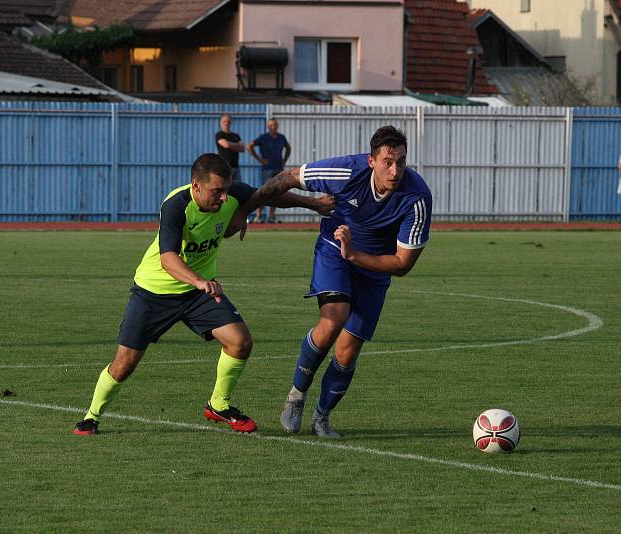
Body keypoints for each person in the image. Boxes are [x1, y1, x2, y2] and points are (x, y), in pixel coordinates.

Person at [73, 153, 333, 436]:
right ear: (196, 185)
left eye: (227, 191)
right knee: (124, 364)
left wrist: (312, 203)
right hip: (155, 291)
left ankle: (219, 405)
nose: (223, 198)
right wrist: (199, 281)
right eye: (216, 192)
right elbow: (168, 259)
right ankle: (91, 417)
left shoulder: (229, 193)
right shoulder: (176, 205)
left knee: (240, 342)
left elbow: (265, 195)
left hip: (197, 292)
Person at [232, 126, 432, 439]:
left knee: (348, 351)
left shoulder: (417, 197)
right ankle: (296, 395)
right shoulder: (344, 171)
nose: (395, 171)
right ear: (371, 161)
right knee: (332, 320)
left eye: (401, 162)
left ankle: (322, 417)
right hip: (333, 251)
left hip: (374, 266)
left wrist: (355, 255)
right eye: (388, 162)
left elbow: (403, 264)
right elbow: (287, 178)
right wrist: (246, 208)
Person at [247, 118, 291, 223]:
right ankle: (258, 216)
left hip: (278, 169)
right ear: (268, 127)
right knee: (264, 192)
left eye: (274, 125)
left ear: (277, 126)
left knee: (276, 193)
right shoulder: (264, 138)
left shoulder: (281, 137)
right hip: (267, 169)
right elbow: (249, 146)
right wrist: (259, 159)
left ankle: (271, 216)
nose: (273, 127)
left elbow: (288, 148)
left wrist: (284, 160)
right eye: (270, 125)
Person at [215, 114, 245, 181]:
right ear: (220, 123)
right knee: (226, 187)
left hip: (235, 167)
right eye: (224, 121)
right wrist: (237, 145)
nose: (226, 123)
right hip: (224, 167)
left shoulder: (236, 135)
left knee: (238, 187)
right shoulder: (219, 134)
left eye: (228, 121)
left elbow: (242, 148)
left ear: (231, 122)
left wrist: (230, 145)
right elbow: (226, 145)